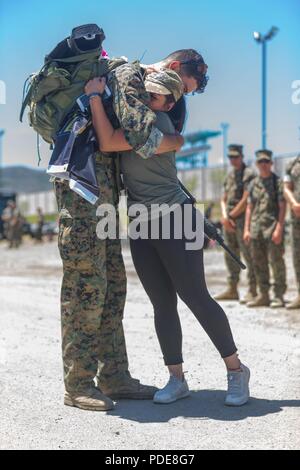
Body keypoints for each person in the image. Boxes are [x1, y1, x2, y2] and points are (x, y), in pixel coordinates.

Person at [56, 48, 209, 412]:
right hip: (82, 191)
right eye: (178, 92)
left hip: (104, 194)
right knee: (86, 286)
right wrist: (174, 141)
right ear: (172, 68)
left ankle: (114, 376)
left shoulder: (143, 88)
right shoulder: (130, 78)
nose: (172, 104)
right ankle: (77, 383)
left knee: (112, 286)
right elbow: (140, 138)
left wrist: (171, 140)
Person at [87, 70, 251, 407]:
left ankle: (236, 371)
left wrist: (93, 99)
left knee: (196, 297)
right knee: (162, 302)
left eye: (155, 96)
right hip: (141, 222)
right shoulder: (138, 118)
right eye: (145, 94)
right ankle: (176, 378)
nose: (146, 100)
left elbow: (108, 142)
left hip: (177, 217)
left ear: (169, 103)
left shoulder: (157, 124)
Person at [244, 150, 287, 308]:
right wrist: (246, 229)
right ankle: (264, 295)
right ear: (257, 164)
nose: (263, 164)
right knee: (258, 263)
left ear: (271, 163)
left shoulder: (277, 182)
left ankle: (279, 295)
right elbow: (249, 207)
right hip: (256, 230)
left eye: (266, 161)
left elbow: (283, 207)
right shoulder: (254, 183)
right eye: (260, 162)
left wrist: (279, 228)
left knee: (276, 263)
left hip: (272, 228)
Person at [215, 145, 257, 304]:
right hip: (229, 221)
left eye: (235, 157)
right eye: (230, 157)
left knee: (248, 255)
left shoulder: (249, 174)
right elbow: (223, 198)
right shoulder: (230, 176)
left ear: (241, 156)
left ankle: (253, 290)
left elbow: (247, 198)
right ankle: (232, 289)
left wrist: (231, 216)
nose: (233, 160)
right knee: (230, 254)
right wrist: (225, 217)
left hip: (242, 220)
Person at [284, 154, 300, 310]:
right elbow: (286, 188)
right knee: (297, 255)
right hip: (297, 218)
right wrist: (294, 204)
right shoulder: (292, 164)